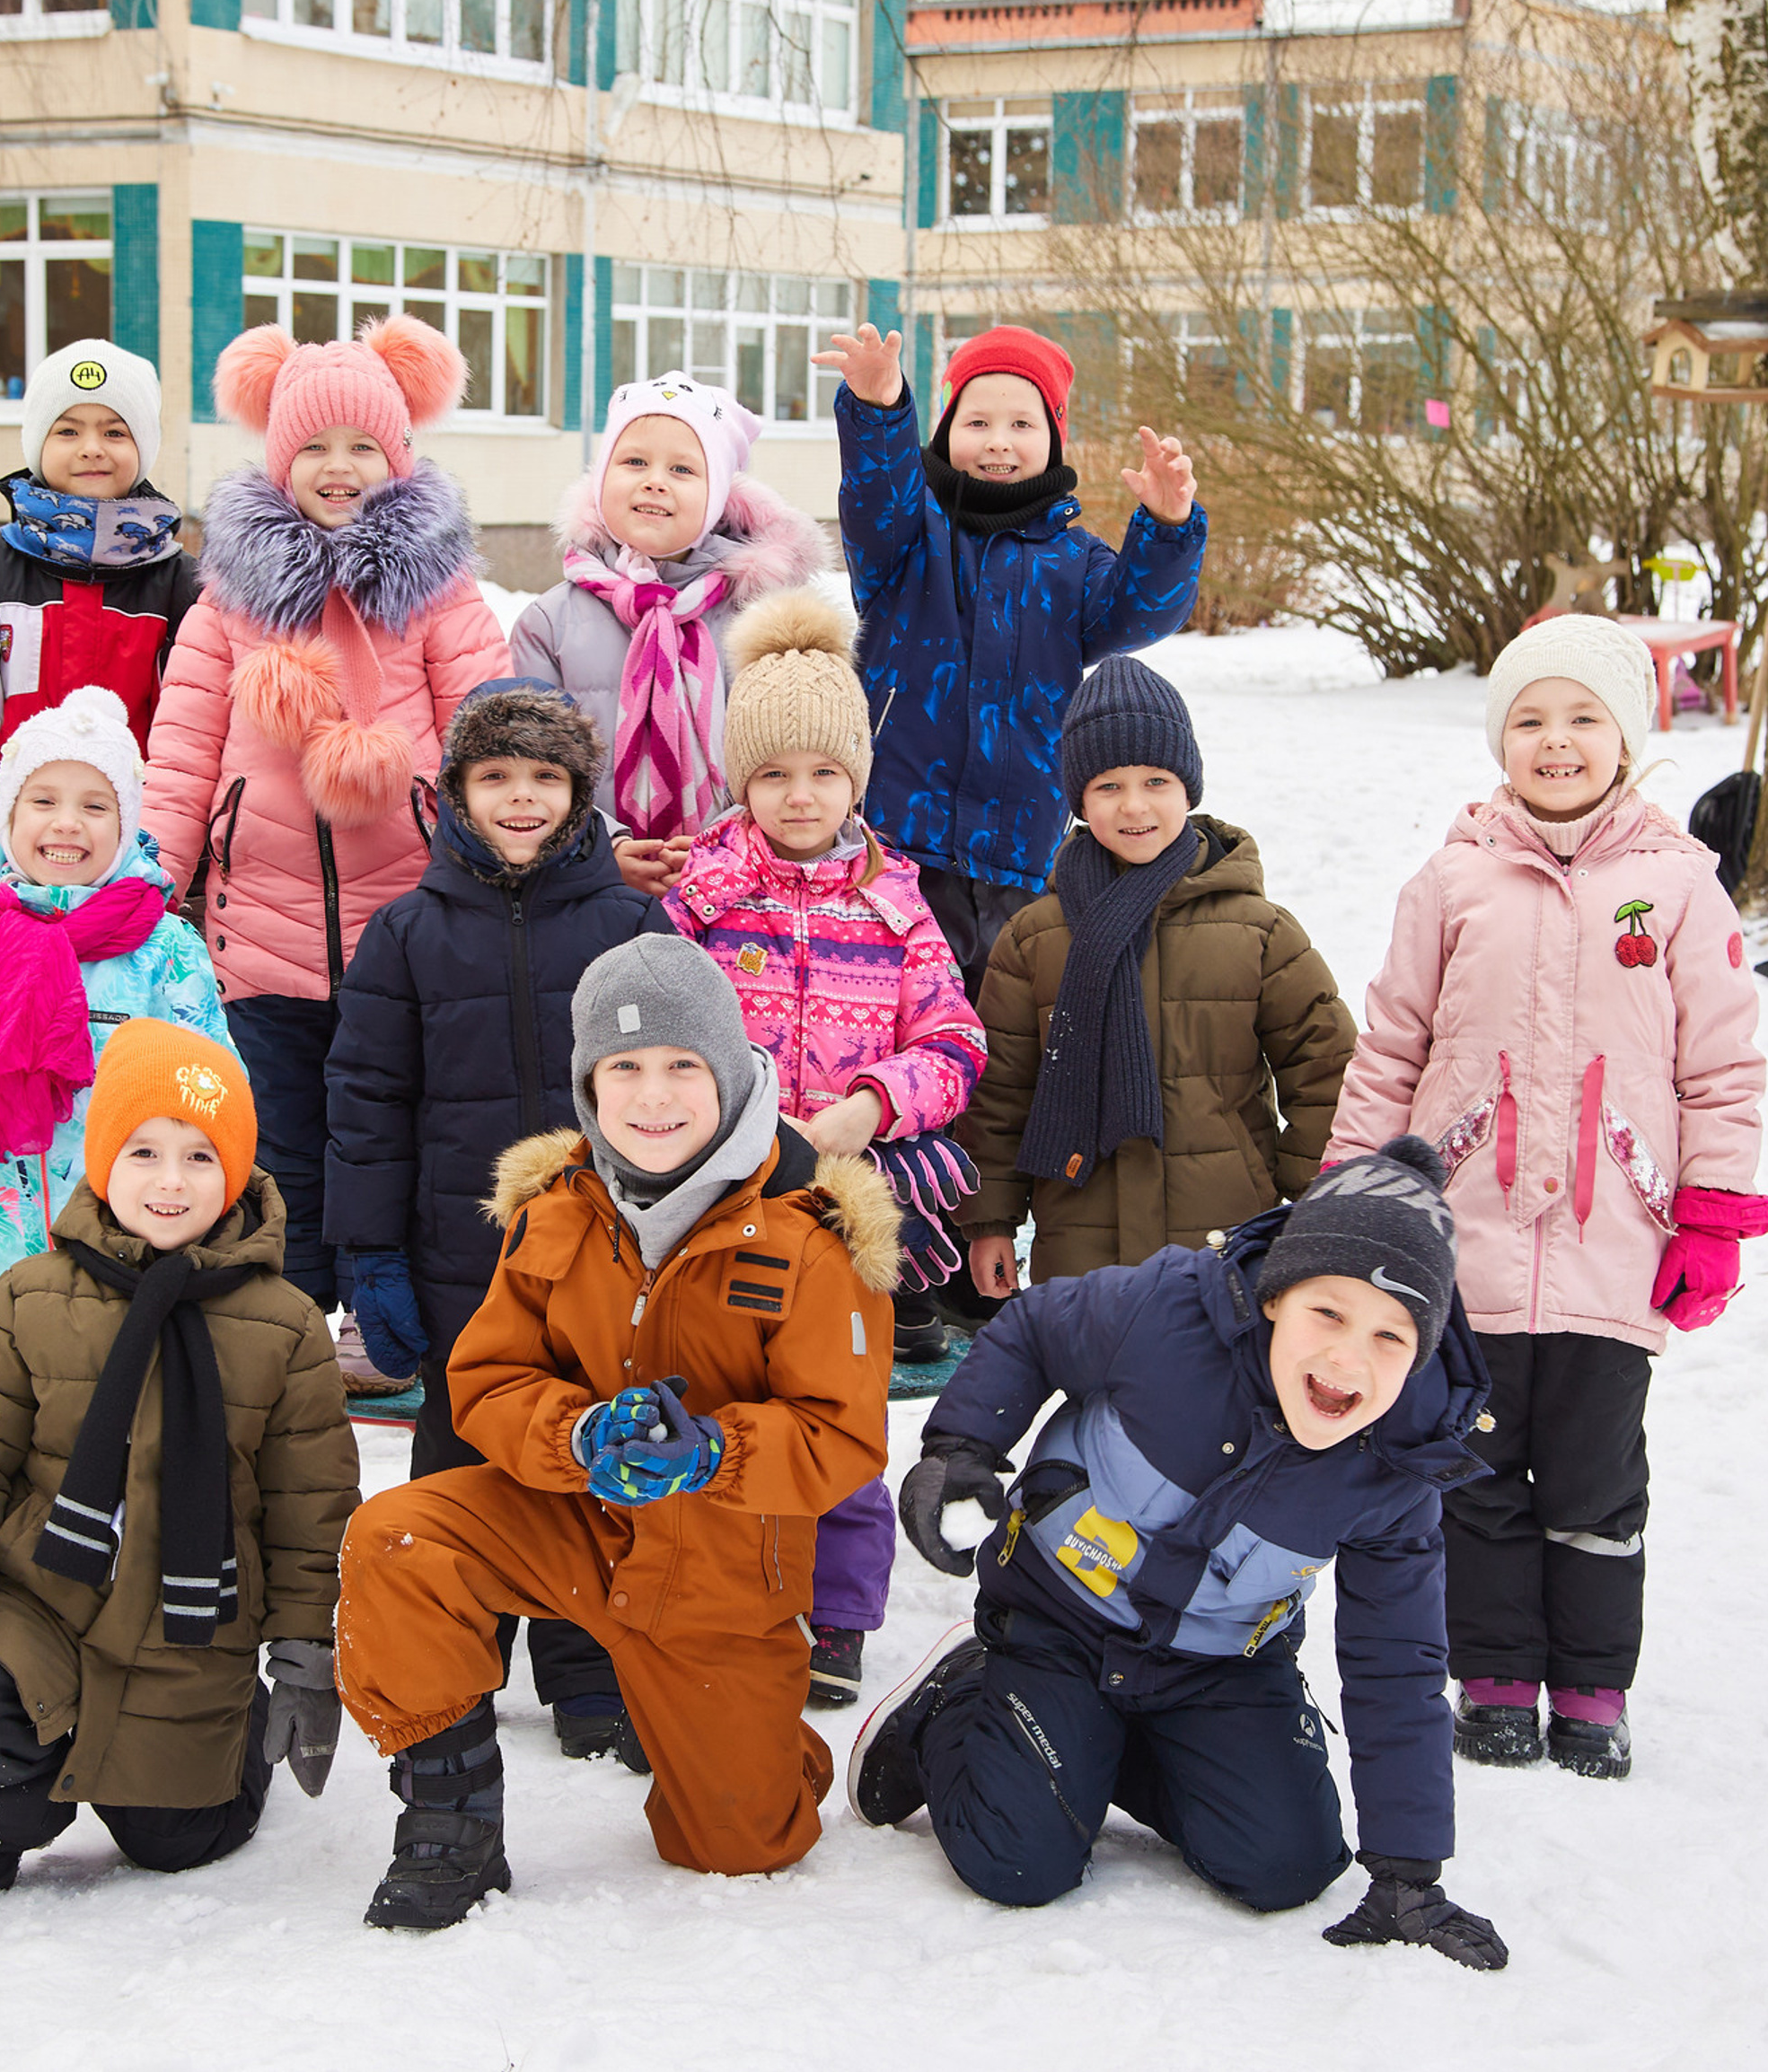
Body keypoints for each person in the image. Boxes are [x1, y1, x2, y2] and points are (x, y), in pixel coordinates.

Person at [334, 937, 895, 1930]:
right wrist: (578, 1431)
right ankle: (450, 1812)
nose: (653, 1095)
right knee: (399, 1534)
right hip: (573, 1524)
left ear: (726, 1069)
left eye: (682, 1065)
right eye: (623, 1068)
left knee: (735, 1845)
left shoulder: (812, 1233)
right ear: (589, 1082)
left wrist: (714, 1450)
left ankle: (749, 1741)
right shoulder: (553, 1208)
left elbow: (839, 1438)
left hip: (717, 1568)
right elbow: (487, 1378)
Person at [853, 1137, 1509, 1973]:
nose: (1350, 1360)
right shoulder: (1165, 1313)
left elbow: (1398, 1660)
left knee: (1290, 1867)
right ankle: (955, 1708)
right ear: (1277, 1297)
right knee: (1018, 1862)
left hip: (1220, 1662)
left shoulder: (1401, 1462)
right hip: (1060, 1618)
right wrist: (962, 1444)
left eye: (1392, 1336)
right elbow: (1034, 1328)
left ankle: (1091, 1756)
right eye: (1329, 1314)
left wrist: (1410, 1870)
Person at [1326, 615, 1765, 1782]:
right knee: (1475, 1477)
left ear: (1627, 739)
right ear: (1499, 739)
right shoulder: (1455, 878)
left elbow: (1724, 1070)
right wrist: (1352, 1199)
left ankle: (1591, 1687)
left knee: (1593, 1480)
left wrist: (1714, 1216)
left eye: (1582, 718)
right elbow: (1391, 1048)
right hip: (1464, 1242)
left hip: (1615, 1241)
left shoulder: (1680, 891)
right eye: (1529, 719)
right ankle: (1499, 1681)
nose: (1554, 741)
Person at [0, 1018, 360, 1903]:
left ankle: (230, 1729)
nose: (171, 1182)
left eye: (199, 1155)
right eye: (143, 1151)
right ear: (103, 1158)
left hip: (192, 1624)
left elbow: (311, 1511)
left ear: (238, 1168)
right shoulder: (30, 1296)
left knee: (178, 1844)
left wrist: (303, 1652)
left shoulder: (285, 1323)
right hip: (42, 1603)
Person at [142, 317, 508, 1393]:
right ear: (276, 459)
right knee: (281, 1141)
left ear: (396, 457)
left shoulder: (439, 591)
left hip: (409, 933)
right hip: (259, 936)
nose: (339, 468)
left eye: (361, 446)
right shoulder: (227, 601)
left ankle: (384, 1317)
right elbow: (181, 755)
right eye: (314, 448)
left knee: (390, 1136)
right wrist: (151, 886)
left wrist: (496, 863)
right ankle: (286, 1317)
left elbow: (487, 726)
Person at [323, 676, 673, 1763]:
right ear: (454, 793)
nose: (520, 799)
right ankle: (453, 1656)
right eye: (495, 777)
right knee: (461, 1450)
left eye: (544, 777)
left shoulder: (630, 923)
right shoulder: (407, 933)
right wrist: (369, 1250)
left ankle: (585, 1667)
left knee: (586, 1446)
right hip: (455, 1253)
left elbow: (678, 1087)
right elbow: (367, 1100)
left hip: (602, 1252)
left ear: (577, 793)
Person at [664, 590, 986, 1705]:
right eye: (772, 775)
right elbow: (651, 1037)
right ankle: (723, 1593)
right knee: (716, 1404)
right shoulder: (699, 902)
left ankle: (840, 1617)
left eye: (822, 772)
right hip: (718, 1202)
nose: (799, 797)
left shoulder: (898, 907)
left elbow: (955, 1041)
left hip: (851, 1212)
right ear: (740, 783)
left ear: (855, 777)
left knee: (838, 1417)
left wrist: (866, 1107)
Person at [814, 322, 1205, 999]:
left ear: (1053, 438)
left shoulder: (1076, 560)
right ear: (944, 432)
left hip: (1021, 853)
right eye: (978, 420)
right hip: (896, 844)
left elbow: (1140, 613)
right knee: (896, 1016)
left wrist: (1167, 531)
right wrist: (880, 410)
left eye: (1022, 422)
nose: (999, 439)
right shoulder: (907, 541)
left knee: (1004, 1031)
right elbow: (877, 497)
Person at [955, 654, 1354, 1299]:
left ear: (1188, 788)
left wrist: (1312, 1204)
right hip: (1084, 1251)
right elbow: (1000, 1095)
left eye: (1156, 782)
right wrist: (991, 1219)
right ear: (1079, 797)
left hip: (1226, 1244)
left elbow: (1327, 1072)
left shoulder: (1258, 931)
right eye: (1108, 786)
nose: (1134, 805)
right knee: (1097, 1401)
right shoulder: (1035, 938)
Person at [0, 685, 233, 1382]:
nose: (67, 824)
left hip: (136, 1268)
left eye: (95, 805)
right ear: (7, 813)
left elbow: (216, 1104)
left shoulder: (165, 951)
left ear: (127, 822)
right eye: (42, 800)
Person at [0, 338, 202, 936]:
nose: (92, 448)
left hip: (138, 879)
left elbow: (198, 744)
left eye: (116, 432)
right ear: (37, 442)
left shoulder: (181, 584)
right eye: (67, 430)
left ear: (143, 447)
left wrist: (180, 874)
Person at [508, 372, 831, 898]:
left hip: (744, 892)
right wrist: (601, 850)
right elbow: (532, 768)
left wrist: (728, 848)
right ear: (600, 479)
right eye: (634, 461)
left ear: (719, 494)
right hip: (594, 890)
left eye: (683, 468)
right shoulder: (548, 624)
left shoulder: (765, 615)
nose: (654, 480)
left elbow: (799, 760)